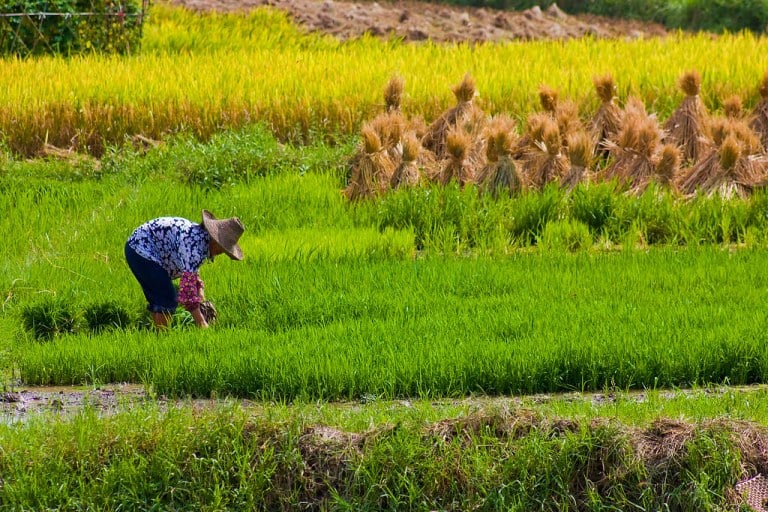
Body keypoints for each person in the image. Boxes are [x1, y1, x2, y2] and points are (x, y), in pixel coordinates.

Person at [124, 209, 244, 329]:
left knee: (161, 296)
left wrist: (200, 292)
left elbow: (191, 270)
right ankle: (161, 338)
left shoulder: (200, 237)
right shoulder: (195, 246)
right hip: (140, 250)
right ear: (214, 240)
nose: (221, 252)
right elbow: (187, 294)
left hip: (140, 247)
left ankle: (158, 335)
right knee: (167, 298)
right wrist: (201, 323)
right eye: (222, 247)